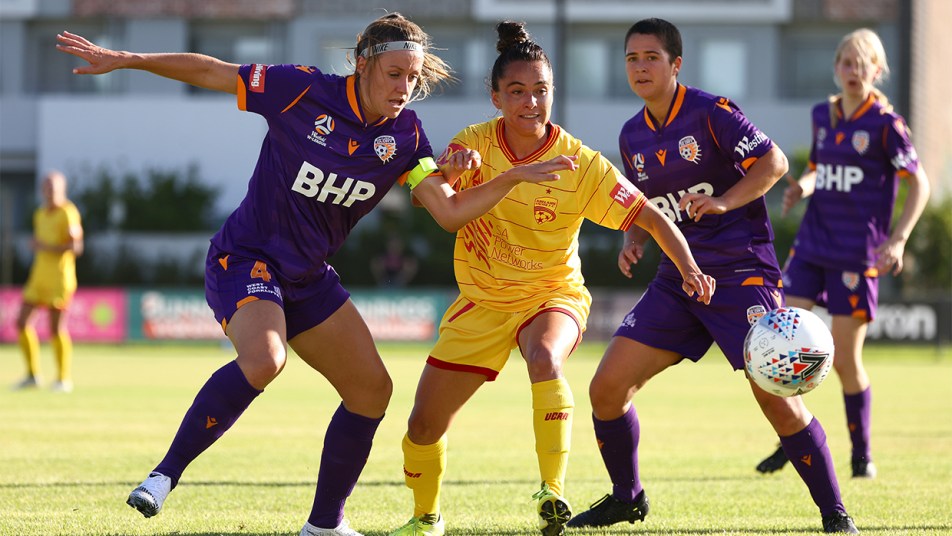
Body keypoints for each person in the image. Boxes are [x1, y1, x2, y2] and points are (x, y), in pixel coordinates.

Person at [56, 14, 576, 536]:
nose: (405, 88)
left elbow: (447, 212)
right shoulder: (299, 89)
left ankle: (325, 525)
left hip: (307, 277)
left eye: (413, 78)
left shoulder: (406, 136)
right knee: (266, 360)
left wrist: (504, 178)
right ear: (363, 63)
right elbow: (214, 71)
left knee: (372, 391)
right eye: (395, 74)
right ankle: (164, 475)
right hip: (246, 258)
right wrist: (131, 60)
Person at [389, 21, 713, 536]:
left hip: (552, 294)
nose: (531, 102)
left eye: (541, 90)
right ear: (496, 97)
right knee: (422, 427)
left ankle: (552, 494)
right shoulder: (473, 142)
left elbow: (650, 216)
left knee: (544, 356)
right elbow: (427, 197)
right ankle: (426, 518)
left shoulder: (579, 164)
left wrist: (689, 266)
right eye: (517, 92)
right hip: (482, 301)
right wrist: (450, 170)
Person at [568, 18, 860, 534]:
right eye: (632, 58)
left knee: (776, 397)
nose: (640, 67)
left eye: (651, 57)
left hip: (740, 271)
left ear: (675, 64)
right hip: (677, 279)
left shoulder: (713, 112)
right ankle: (627, 497)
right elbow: (646, 208)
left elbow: (773, 164)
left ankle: (835, 513)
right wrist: (633, 239)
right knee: (606, 388)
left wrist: (724, 201)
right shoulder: (631, 135)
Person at [754, 28, 930, 479]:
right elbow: (819, 167)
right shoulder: (823, 115)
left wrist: (899, 238)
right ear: (836, 68)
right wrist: (803, 187)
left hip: (856, 254)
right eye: (847, 63)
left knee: (846, 361)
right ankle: (792, 439)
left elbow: (919, 184)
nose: (854, 71)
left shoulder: (886, 126)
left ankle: (860, 452)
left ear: (878, 70)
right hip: (812, 246)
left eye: (863, 63)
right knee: (783, 340)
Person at [14, 170, 84, 393]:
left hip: (59, 279)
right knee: (21, 322)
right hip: (38, 277)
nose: (49, 192)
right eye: (46, 187)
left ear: (62, 189)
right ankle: (32, 375)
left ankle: (63, 379)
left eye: (53, 188)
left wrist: (46, 247)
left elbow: (76, 247)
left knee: (55, 329)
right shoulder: (40, 214)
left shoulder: (68, 213)